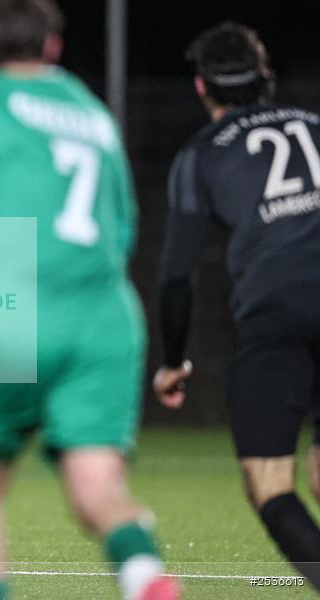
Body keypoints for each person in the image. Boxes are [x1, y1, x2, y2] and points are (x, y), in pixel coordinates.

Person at [0, 1, 178, 598]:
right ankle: (142, 574)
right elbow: (126, 225)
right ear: (54, 46)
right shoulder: (92, 111)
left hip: (17, 314)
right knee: (97, 489)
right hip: (106, 316)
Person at [154, 22, 320, 590]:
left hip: (276, 315)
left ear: (203, 87)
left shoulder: (200, 156)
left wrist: (171, 359)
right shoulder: (316, 127)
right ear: (265, 78)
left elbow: (177, 275)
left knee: (272, 485)